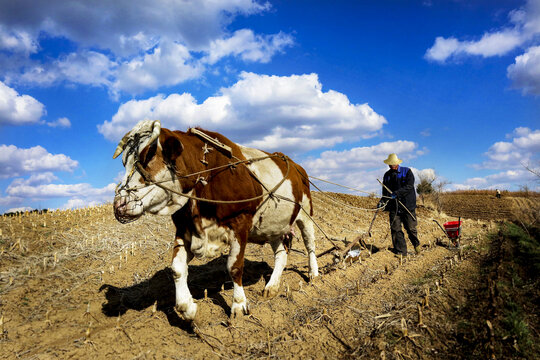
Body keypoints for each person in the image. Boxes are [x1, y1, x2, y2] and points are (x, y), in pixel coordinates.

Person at [377, 153, 421, 257]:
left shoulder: (407, 172)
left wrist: (397, 193)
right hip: (394, 206)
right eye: (390, 164)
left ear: (397, 163)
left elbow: (409, 186)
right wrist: (382, 201)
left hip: (407, 205)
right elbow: (385, 191)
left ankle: (416, 244)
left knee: (411, 228)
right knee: (395, 229)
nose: (392, 165)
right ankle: (401, 252)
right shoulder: (387, 175)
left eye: (394, 163)